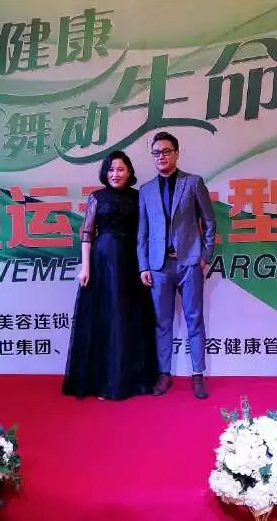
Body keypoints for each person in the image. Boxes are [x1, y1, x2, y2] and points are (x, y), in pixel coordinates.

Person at [62, 151, 158, 400]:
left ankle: (129, 380)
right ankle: (104, 382)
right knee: (107, 319)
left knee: (129, 318)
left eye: (120, 169)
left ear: (129, 172)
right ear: (105, 173)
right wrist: (85, 267)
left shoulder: (139, 197)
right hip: (103, 262)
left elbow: (145, 233)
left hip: (131, 261)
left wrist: (145, 264)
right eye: (111, 169)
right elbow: (87, 234)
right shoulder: (97, 197)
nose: (115, 174)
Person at [138, 131, 216, 399]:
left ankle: (198, 374)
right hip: (159, 267)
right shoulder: (146, 190)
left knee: (194, 319)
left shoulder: (193, 183)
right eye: (156, 153)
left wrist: (205, 256)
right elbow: (142, 232)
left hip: (189, 263)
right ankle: (164, 373)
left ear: (177, 153)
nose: (161, 157)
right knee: (162, 322)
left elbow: (209, 222)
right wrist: (144, 266)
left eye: (166, 151)